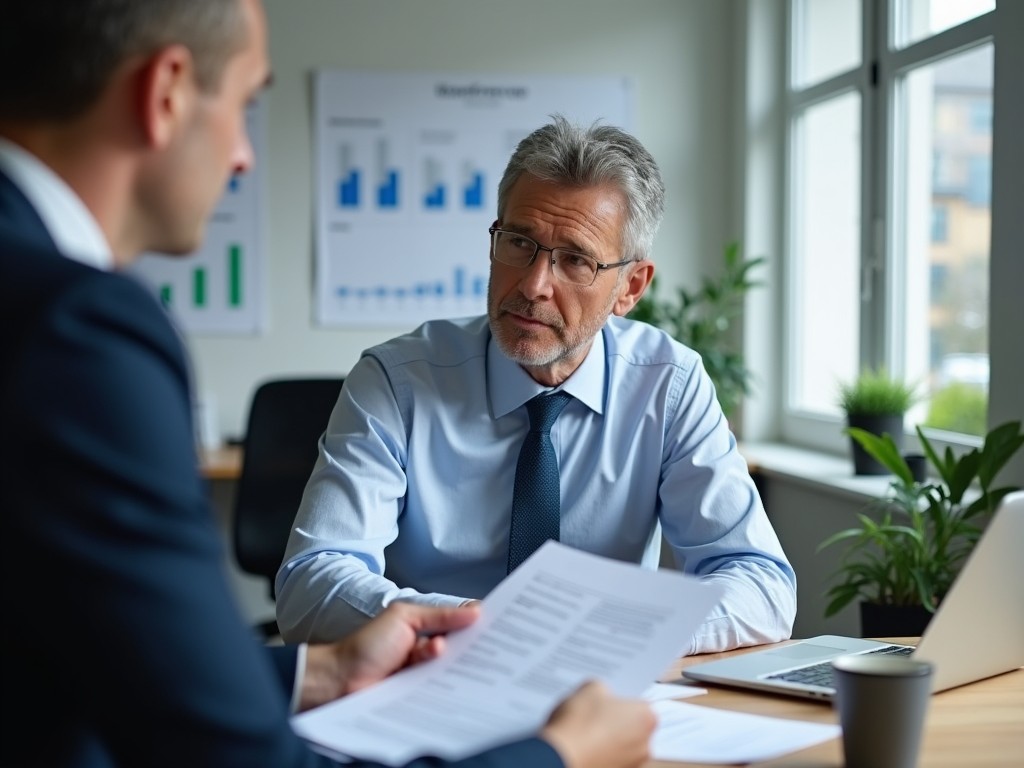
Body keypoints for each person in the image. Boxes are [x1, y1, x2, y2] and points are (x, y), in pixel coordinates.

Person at [0, 3, 655, 767]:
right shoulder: (75, 328)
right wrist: (559, 757)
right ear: (168, 92)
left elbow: (65, 662)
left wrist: (321, 670)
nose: (244, 155)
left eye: (574, 259)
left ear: (629, 286)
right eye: (245, 105)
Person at [275, 116, 798, 651]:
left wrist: (614, 632)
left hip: (597, 689)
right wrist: (487, 627)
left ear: (630, 287)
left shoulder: (669, 385)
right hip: (431, 669)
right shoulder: (396, 382)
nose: (533, 284)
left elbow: (760, 583)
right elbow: (311, 584)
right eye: (519, 243)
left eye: (575, 260)